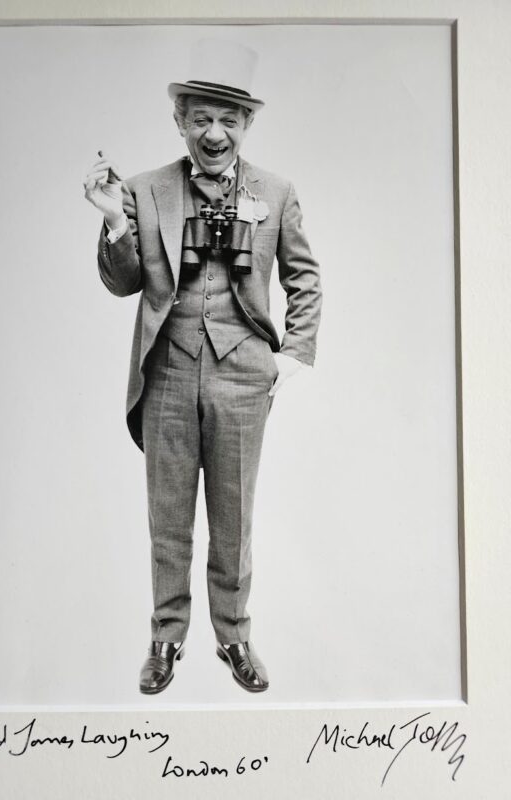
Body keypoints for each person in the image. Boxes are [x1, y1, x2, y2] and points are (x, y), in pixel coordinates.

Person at [83, 40, 322, 694]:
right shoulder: (144, 189)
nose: (215, 134)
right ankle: (165, 637)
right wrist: (114, 221)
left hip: (243, 375)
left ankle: (234, 635)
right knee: (168, 518)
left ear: (247, 124)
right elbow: (123, 282)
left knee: (233, 518)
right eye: (201, 119)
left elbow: (304, 278)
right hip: (166, 371)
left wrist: (293, 355)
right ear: (180, 121)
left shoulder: (276, 192)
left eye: (228, 120)